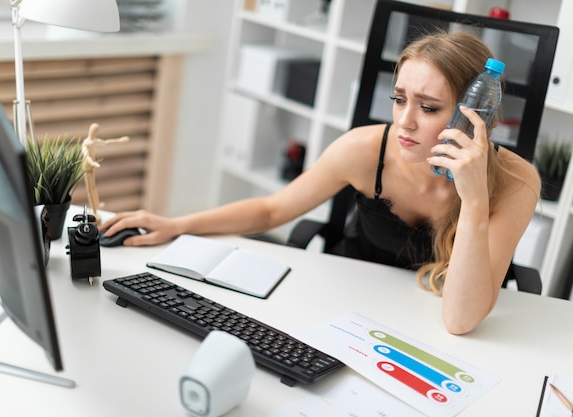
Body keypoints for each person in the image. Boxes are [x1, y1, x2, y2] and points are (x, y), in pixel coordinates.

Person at [101, 31, 540, 335]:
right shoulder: (365, 149)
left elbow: (460, 320)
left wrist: (475, 199)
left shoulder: (516, 183)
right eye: (399, 99)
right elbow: (274, 211)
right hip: (347, 310)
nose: (404, 121)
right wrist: (176, 224)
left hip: (430, 328)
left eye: (428, 107)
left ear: (474, 114)